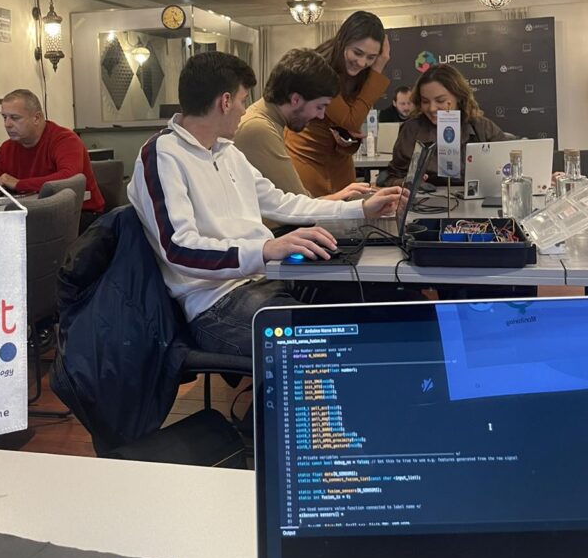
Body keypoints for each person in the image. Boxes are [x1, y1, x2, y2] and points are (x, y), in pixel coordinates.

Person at [128, 51, 407, 357]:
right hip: (216, 303)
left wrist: (360, 209)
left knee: (377, 307)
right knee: (337, 348)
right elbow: (179, 249)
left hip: (265, 280)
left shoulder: (226, 152)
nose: (244, 109)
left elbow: (283, 203)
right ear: (225, 102)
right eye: (243, 100)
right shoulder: (163, 154)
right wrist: (265, 249)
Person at [234, 47, 371, 202]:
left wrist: (339, 197)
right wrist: (349, 203)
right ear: (295, 99)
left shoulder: (267, 121)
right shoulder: (259, 129)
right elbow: (297, 206)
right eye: (320, 106)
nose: (321, 115)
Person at [284, 11, 391, 196]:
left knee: (350, 210)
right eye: (357, 53)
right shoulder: (320, 68)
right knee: (313, 210)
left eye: (371, 57)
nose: (362, 62)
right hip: (306, 158)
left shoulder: (360, 73)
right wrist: (379, 66)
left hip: (339, 161)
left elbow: (347, 122)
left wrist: (347, 135)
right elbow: (351, 120)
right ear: (342, 41)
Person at [0, 88, 105, 227]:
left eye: (15, 118)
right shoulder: (6, 149)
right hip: (31, 214)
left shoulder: (65, 140)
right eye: (4, 117)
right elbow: (5, 186)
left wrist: (19, 184)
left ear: (36, 118)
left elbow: (70, 177)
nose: (7, 124)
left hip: (80, 214)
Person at [382, 64, 507, 186]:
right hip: (426, 199)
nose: (432, 108)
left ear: (459, 96)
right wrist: (407, 183)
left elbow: (507, 167)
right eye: (425, 101)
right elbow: (391, 177)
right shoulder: (411, 130)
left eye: (440, 100)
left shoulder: (483, 128)